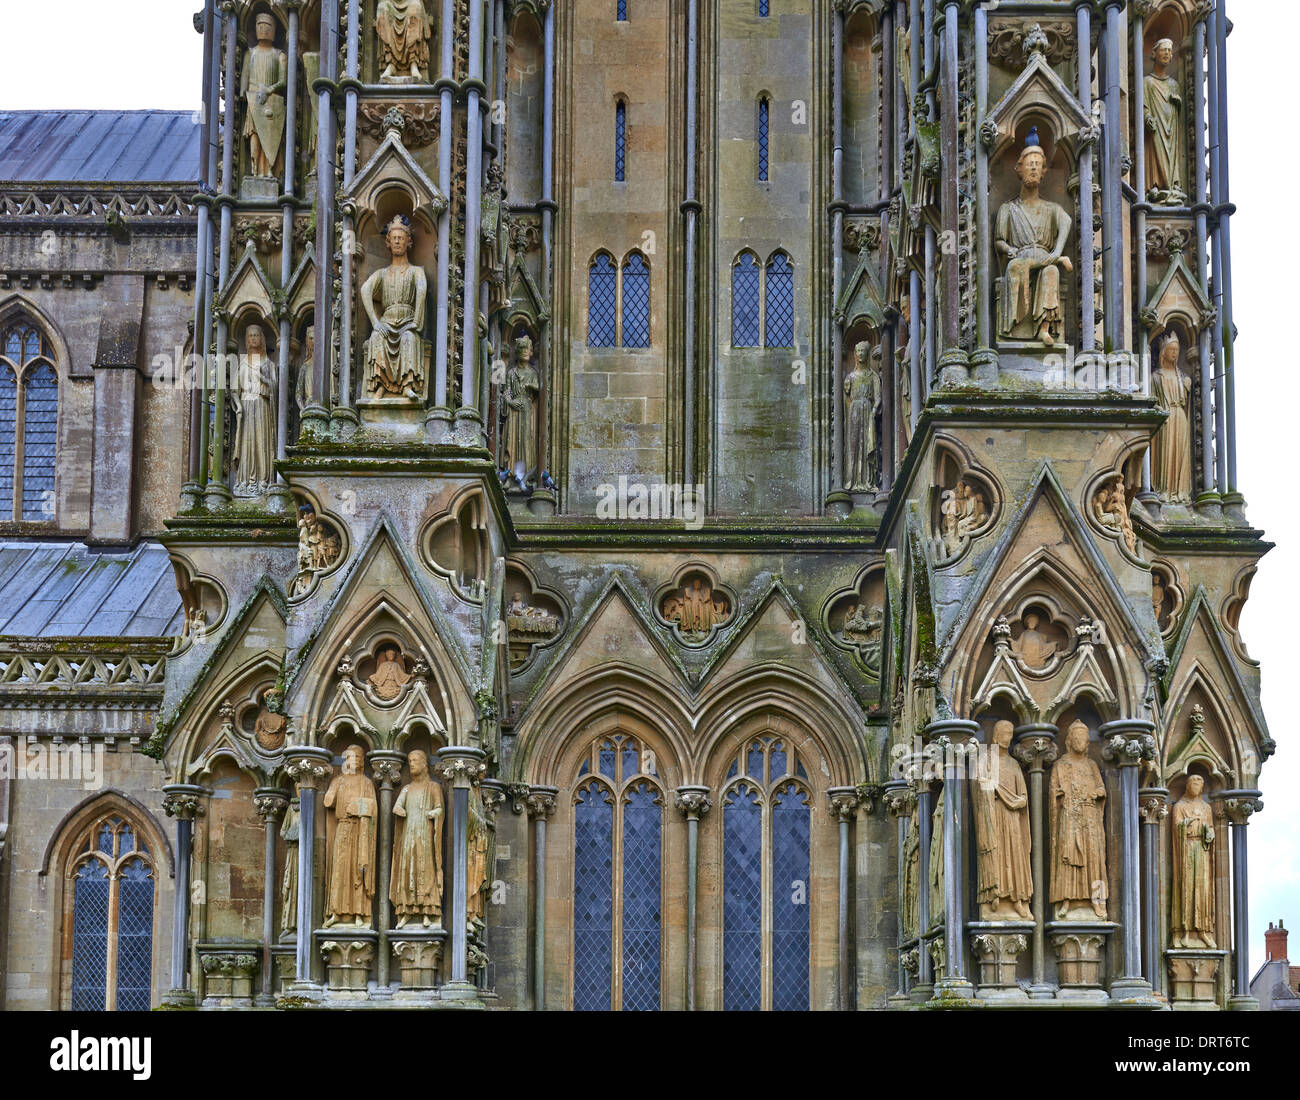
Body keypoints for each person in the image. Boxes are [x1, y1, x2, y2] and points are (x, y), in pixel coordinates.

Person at [995, 128, 1074, 345]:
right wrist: (1007, 249)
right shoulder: (1008, 209)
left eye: (1038, 164)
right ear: (1019, 169)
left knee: (1051, 272)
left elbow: (1066, 220)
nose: (1033, 167)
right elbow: (999, 240)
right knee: (1017, 267)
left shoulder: (1051, 208)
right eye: (1029, 163)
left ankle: (1044, 328)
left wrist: (1057, 251)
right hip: (1021, 259)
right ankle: (1016, 325)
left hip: (1044, 257)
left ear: (1043, 171)